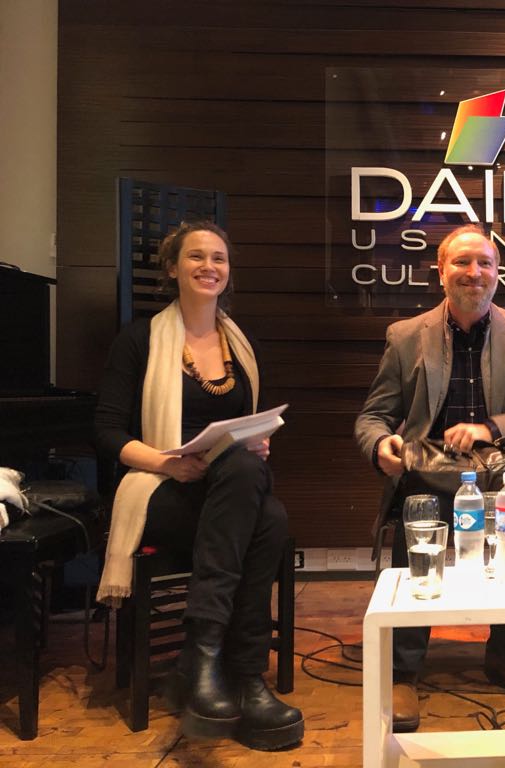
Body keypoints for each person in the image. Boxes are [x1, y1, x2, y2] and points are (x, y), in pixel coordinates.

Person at [354, 223, 505, 733]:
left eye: (484, 263)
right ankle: (402, 670)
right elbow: (373, 417)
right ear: (440, 272)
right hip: (430, 475)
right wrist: (380, 445)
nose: (473, 272)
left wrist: (494, 427)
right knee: (419, 512)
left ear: (498, 273)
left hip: (504, 476)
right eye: (461, 262)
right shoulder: (405, 336)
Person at [95, 220, 304, 750]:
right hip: (161, 490)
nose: (209, 266)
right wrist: (168, 463)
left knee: (260, 498)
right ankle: (238, 671)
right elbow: (106, 432)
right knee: (269, 518)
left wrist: (258, 442)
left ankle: (213, 659)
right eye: (196, 257)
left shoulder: (241, 344)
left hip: (228, 491)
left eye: (219, 258)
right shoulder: (139, 340)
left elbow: (251, 422)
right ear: (172, 268)